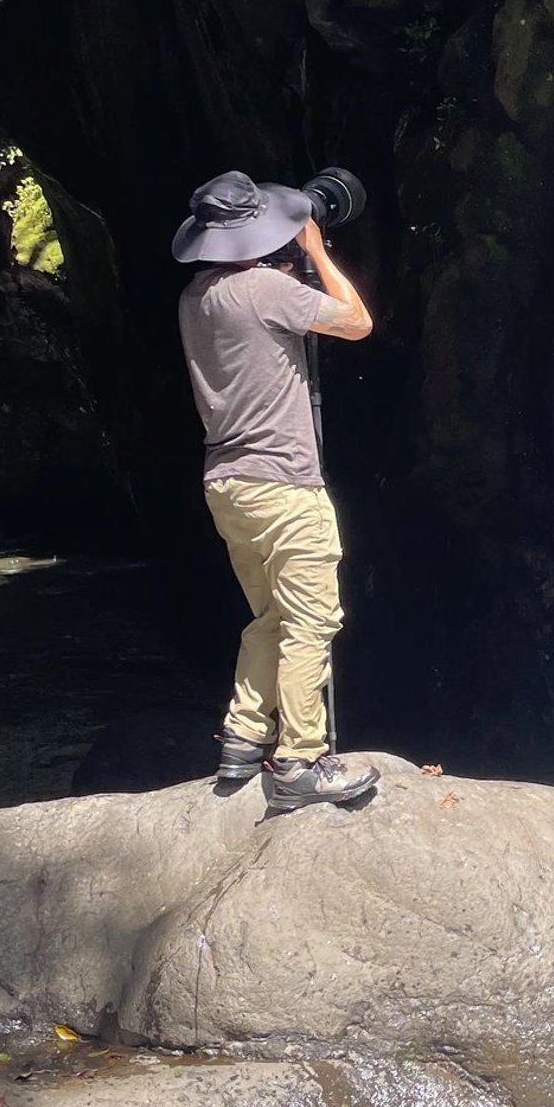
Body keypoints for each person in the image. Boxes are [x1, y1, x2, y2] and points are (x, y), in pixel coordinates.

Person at [172, 168, 380, 812]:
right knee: (312, 621)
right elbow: (356, 322)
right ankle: (300, 760)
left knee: (270, 616)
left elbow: (254, 319)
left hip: (227, 485)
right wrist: (316, 251)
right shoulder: (265, 288)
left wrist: (280, 276)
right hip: (284, 485)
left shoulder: (197, 297)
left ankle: (242, 735)